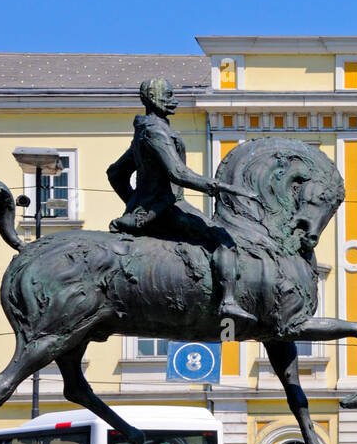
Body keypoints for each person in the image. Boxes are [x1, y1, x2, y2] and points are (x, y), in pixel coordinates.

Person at [107, 78, 257, 323]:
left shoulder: (144, 131)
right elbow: (179, 174)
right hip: (168, 207)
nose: (173, 101)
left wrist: (135, 205)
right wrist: (221, 187)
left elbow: (115, 173)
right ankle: (228, 301)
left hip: (155, 207)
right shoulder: (156, 132)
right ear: (153, 99)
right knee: (223, 240)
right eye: (167, 95)